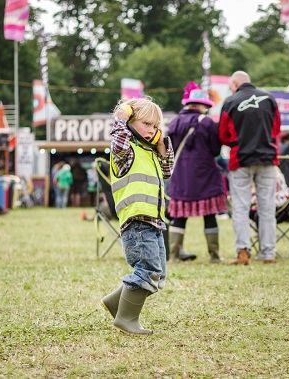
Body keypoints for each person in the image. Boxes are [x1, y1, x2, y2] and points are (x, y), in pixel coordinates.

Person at [101, 96, 173, 336]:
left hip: (153, 221)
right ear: (130, 121)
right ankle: (126, 319)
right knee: (148, 269)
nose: (152, 130)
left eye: (155, 126)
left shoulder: (149, 151)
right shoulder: (126, 150)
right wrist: (120, 119)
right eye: (147, 124)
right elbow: (118, 144)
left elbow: (167, 171)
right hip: (137, 221)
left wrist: (163, 146)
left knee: (157, 272)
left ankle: (115, 303)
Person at [219, 71, 281, 265]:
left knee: (240, 207)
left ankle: (243, 252)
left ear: (236, 83)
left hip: (240, 160)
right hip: (267, 158)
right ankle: (268, 253)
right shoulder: (269, 99)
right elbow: (277, 128)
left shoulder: (230, 102)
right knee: (267, 207)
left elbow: (223, 135)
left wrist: (237, 143)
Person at [167, 82, 227, 264]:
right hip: (205, 176)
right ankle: (215, 256)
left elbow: (169, 148)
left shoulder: (174, 122)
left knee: (178, 217)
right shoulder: (207, 122)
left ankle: (174, 256)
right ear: (202, 105)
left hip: (181, 176)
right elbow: (216, 150)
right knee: (209, 216)